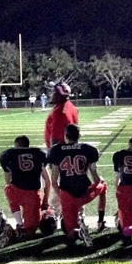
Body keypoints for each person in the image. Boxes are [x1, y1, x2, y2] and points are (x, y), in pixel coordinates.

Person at [48, 124, 107, 246]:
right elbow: (94, 176)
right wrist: (99, 181)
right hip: (84, 193)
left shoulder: (56, 150)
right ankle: (101, 221)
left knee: (70, 234)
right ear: (79, 135)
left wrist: (63, 198)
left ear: (65, 136)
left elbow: (54, 181)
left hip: (67, 195)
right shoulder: (89, 149)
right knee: (103, 185)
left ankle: (78, 232)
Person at [0, 135, 51, 247]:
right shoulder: (39, 154)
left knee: (8, 189)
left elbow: (8, 182)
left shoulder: (8, 155)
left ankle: (18, 225)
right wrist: (45, 201)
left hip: (15, 192)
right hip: (32, 194)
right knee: (31, 231)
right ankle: (21, 229)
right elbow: (47, 181)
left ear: (16, 146)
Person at [44, 81, 79, 216]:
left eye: (53, 92)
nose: (51, 95)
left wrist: (53, 159)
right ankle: (74, 211)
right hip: (71, 152)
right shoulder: (71, 107)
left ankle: (58, 214)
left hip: (61, 155)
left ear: (59, 95)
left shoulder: (60, 111)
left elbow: (56, 138)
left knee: (57, 185)